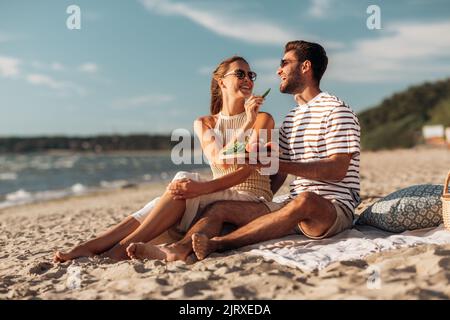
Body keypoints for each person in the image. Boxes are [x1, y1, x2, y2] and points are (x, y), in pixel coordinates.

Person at [53, 55, 277, 262]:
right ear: (221, 82)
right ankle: (92, 245)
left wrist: (249, 121)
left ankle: (115, 247)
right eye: (240, 74)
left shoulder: (263, 119)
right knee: (167, 197)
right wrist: (200, 188)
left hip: (251, 195)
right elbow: (219, 158)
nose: (247, 79)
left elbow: (245, 169)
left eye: (251, 75)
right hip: (218, 190)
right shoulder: (205, 123)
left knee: (181, 183)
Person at [184, 40, 361, 261]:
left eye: (285, 63)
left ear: (305, 67)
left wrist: (274, 163)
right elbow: (280, 173)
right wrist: (264, 198)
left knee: (306, 200)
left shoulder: (336, 110)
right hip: (291, 205)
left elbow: (337, 169)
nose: (279, 70)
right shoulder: (291, 118)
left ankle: (219, 244)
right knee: (220, 208)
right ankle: (180, 249)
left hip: (333, 207)